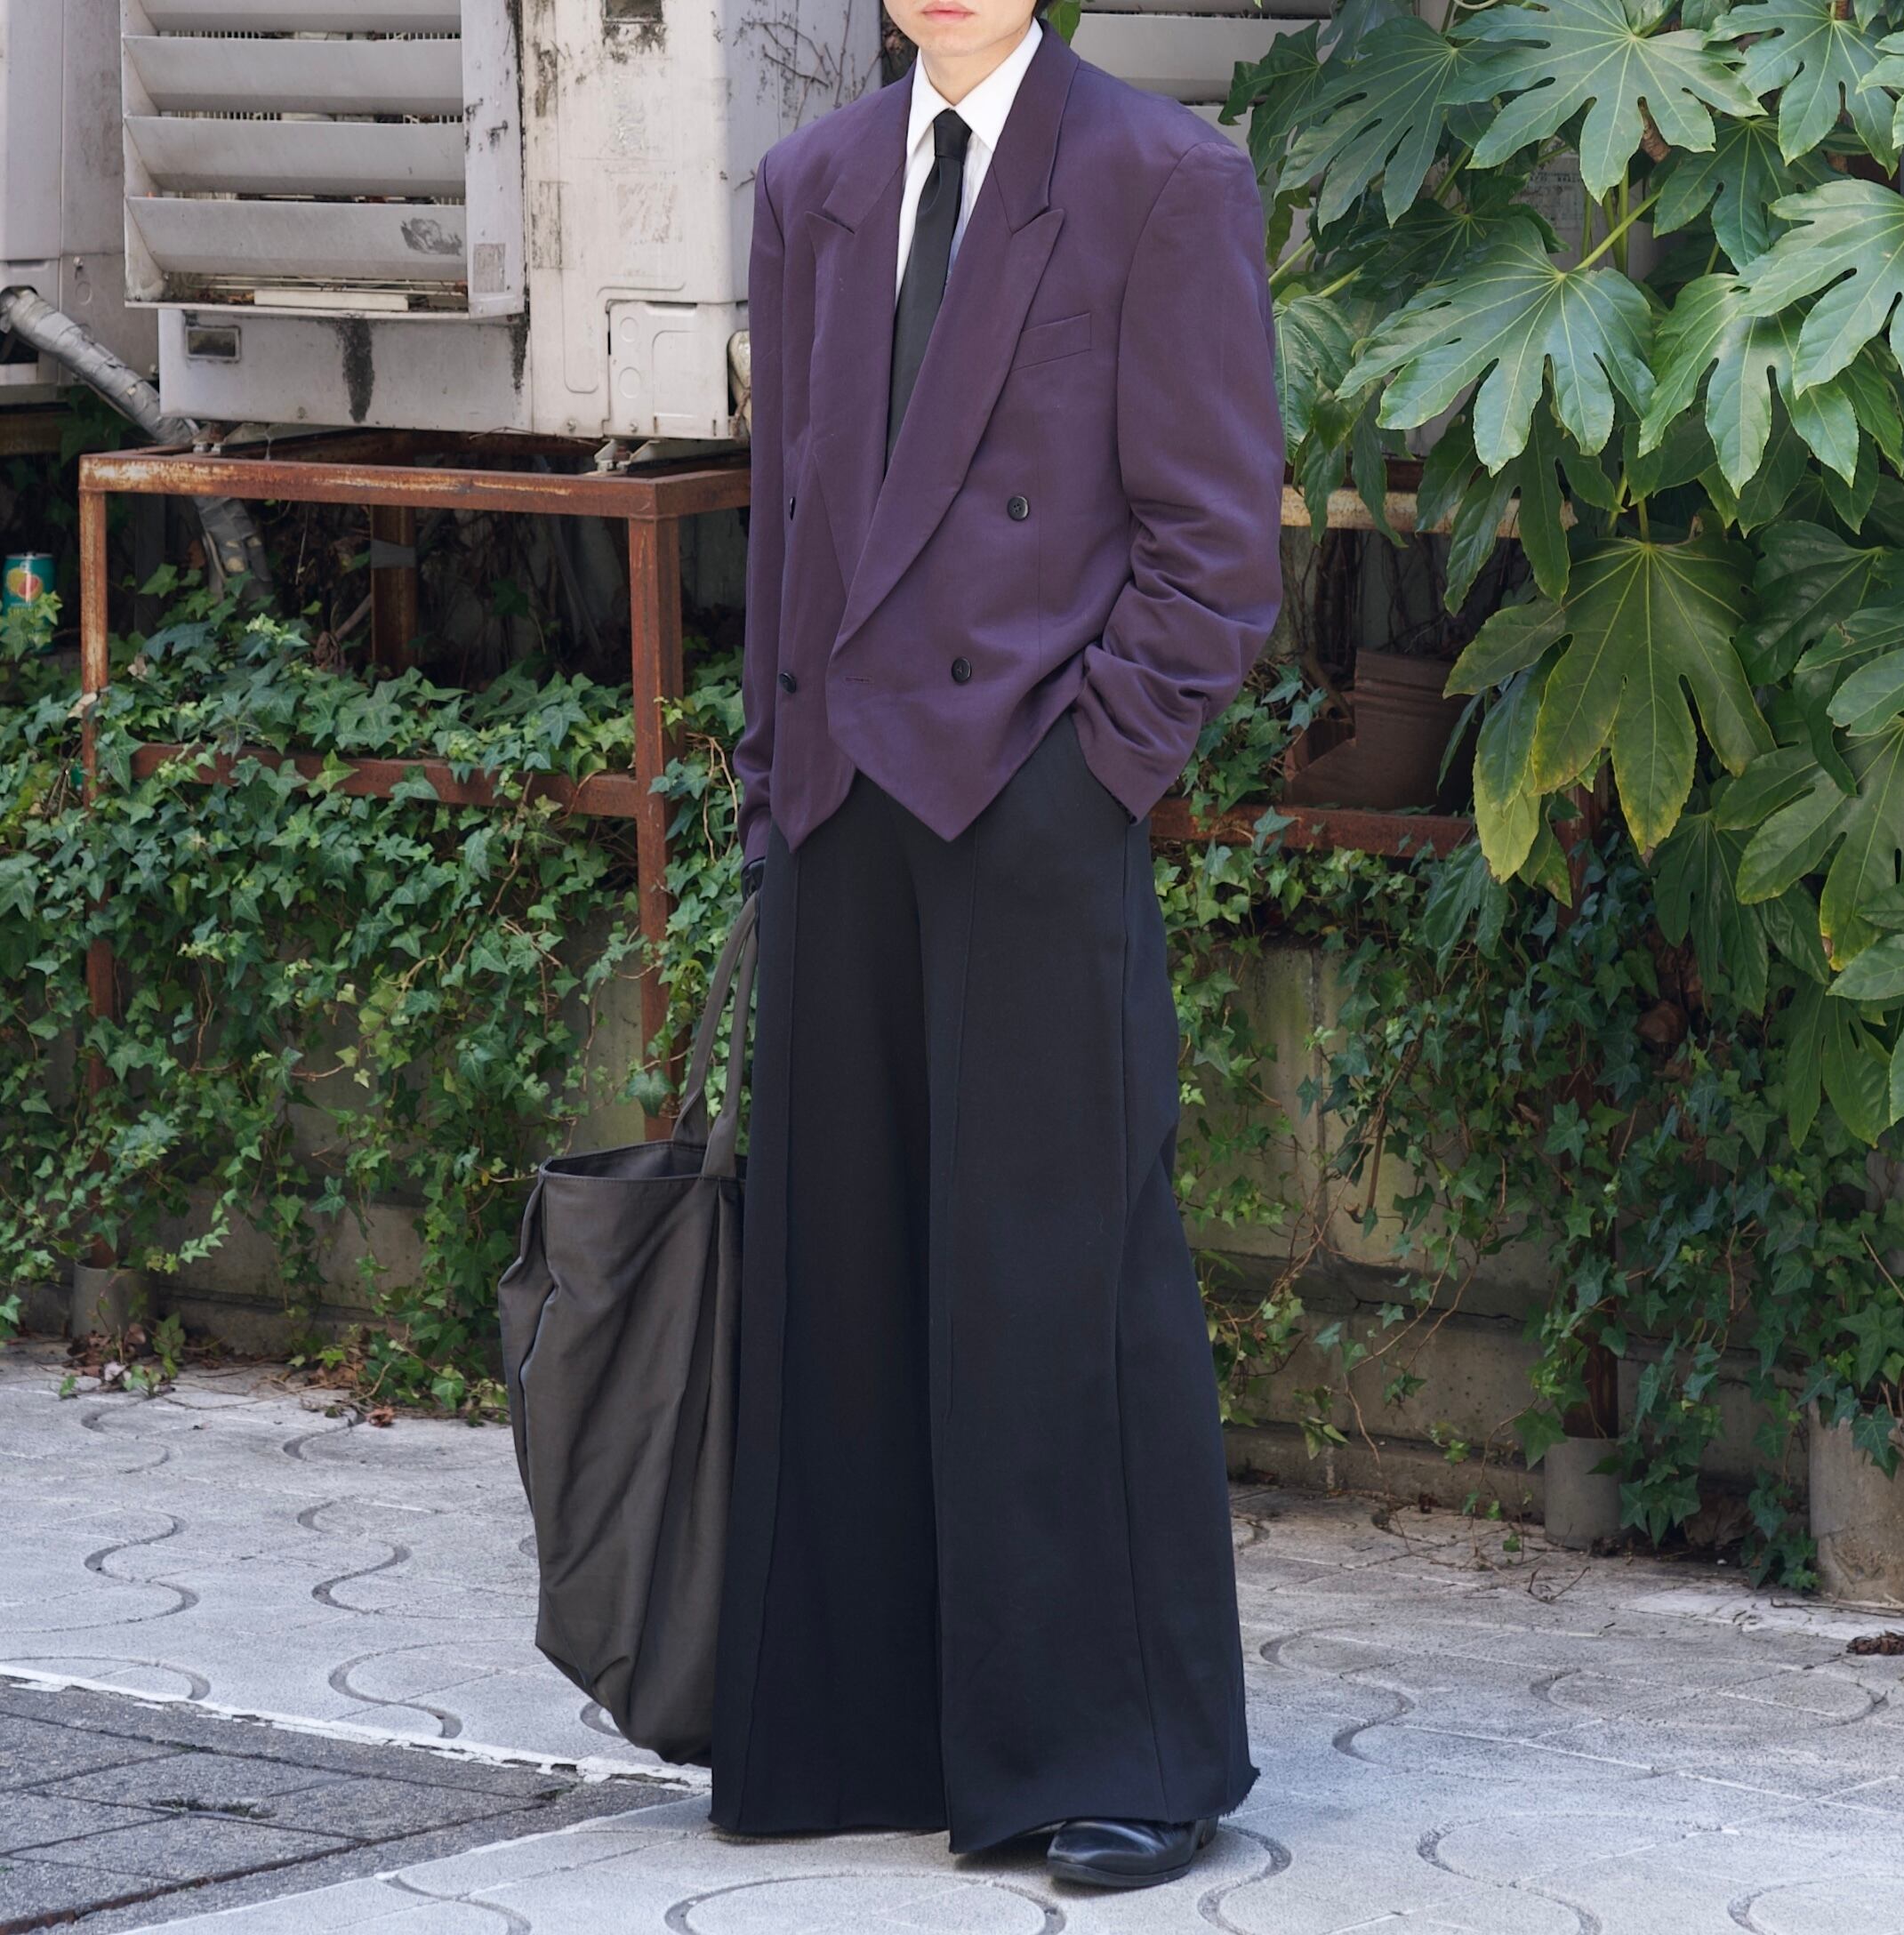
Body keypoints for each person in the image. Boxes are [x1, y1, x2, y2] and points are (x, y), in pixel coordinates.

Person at [711, 0, 1284, 1891]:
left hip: (1030, 799)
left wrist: (1092, 770)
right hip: (837, 803)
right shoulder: (808, 182)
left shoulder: (1161, 178)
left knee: (1061, 1281)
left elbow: (1217, 545)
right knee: (845, 1275)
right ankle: (870, 1724)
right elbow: (788, 516)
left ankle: (1121, 1750)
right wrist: (767, 776)